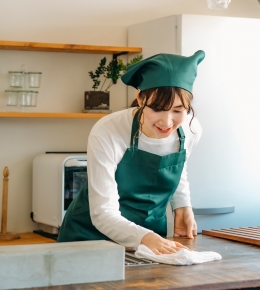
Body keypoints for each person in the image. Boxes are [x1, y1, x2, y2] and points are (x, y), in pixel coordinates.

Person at [58, 51, 205, 255]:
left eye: (179, 110)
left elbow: (179, 169)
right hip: (90, 235)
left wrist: (182, 206)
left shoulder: (191, 129)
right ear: (139, 97)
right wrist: (144, 237)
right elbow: (103, 212)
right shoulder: (109, 130)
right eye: (157, 108)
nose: (167, 122)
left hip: (151, 235)